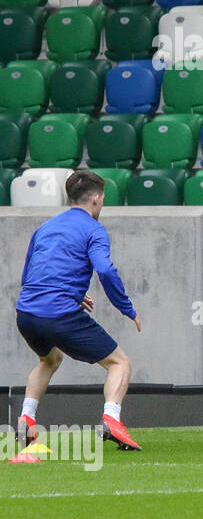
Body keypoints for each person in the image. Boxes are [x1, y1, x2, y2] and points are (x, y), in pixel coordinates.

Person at [15, 170, 142, 452]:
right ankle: (112, 419)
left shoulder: (45, 228)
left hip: (26, 312)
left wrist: (73, 292)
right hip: (58, 313)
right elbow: (106, 270)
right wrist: (126, 308)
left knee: (49, 360)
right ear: (96, 199)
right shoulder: (93, 229)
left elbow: (29, 276)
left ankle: (26, 420)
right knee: (119, 362)